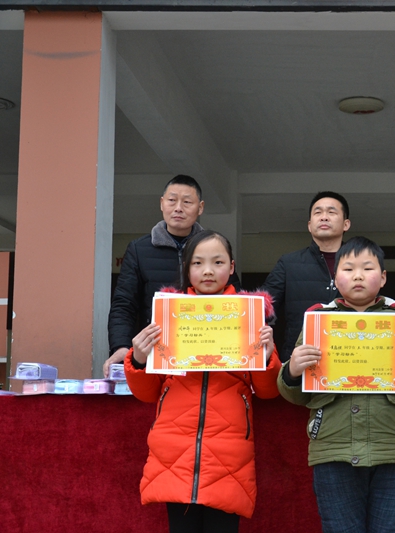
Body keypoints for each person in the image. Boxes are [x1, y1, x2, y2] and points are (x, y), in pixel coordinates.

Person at [278, 236, 395, 533]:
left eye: (367, 268)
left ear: (383, 277)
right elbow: (295, 396)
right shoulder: (318, 321)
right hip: (333, 449)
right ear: (335, 278)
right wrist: (292, 370)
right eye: (348, 269)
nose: (357, 275)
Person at [124, 230, 281, 532]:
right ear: (187, 268)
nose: (208, 271)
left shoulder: (249, 318)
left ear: (231, 267)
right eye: (197, 263)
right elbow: (147, 393)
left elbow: (268, 391)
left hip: (229, 451)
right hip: (173, 450)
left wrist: (266, 358)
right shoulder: (168, 315)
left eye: (217, 262)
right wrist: (140, 358)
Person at [106, 175, 240, 377]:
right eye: (172, 200)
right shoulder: (139, 249)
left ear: (200, 208)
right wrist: (121, 346)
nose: (178, 208)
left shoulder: (214, 248)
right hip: (156, 354)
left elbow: (236, 300)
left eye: (187, 202)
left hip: (208, 353)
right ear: (162, 203)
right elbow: (124, 304)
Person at [260, 191, 351, 362]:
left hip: (349, 357)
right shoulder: (288, 263)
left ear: (346, 224)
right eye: (318, 212)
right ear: (309, 225)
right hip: (299, 361)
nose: (324, 217)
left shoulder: (360, 263)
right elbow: (260, 309)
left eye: (331, 212)